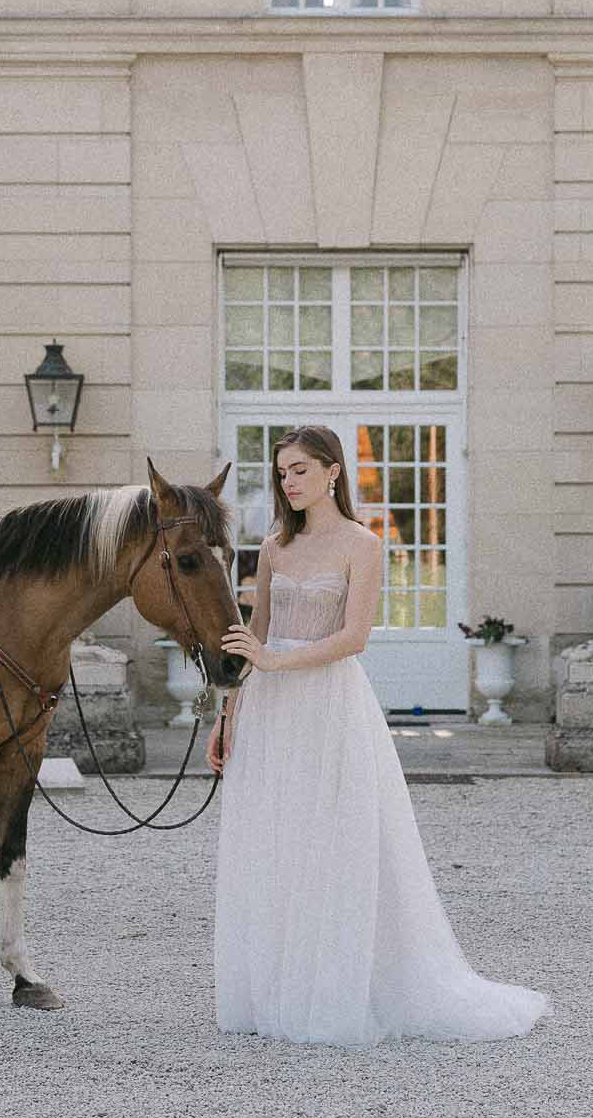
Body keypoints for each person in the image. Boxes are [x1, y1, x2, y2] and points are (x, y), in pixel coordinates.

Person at [207, 424, 550, 1047]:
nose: (290, 482)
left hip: (327, 703)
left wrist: (278, 661)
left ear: (333, 472)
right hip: (268, 709)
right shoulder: (276, 546)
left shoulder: (361, 545)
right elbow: (248, 637)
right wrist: (227, 713)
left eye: (301, 470)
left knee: (329, 841)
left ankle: (336, 989)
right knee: (273, 841)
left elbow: (355, 637)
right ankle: (278, 988)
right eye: (283, 472)